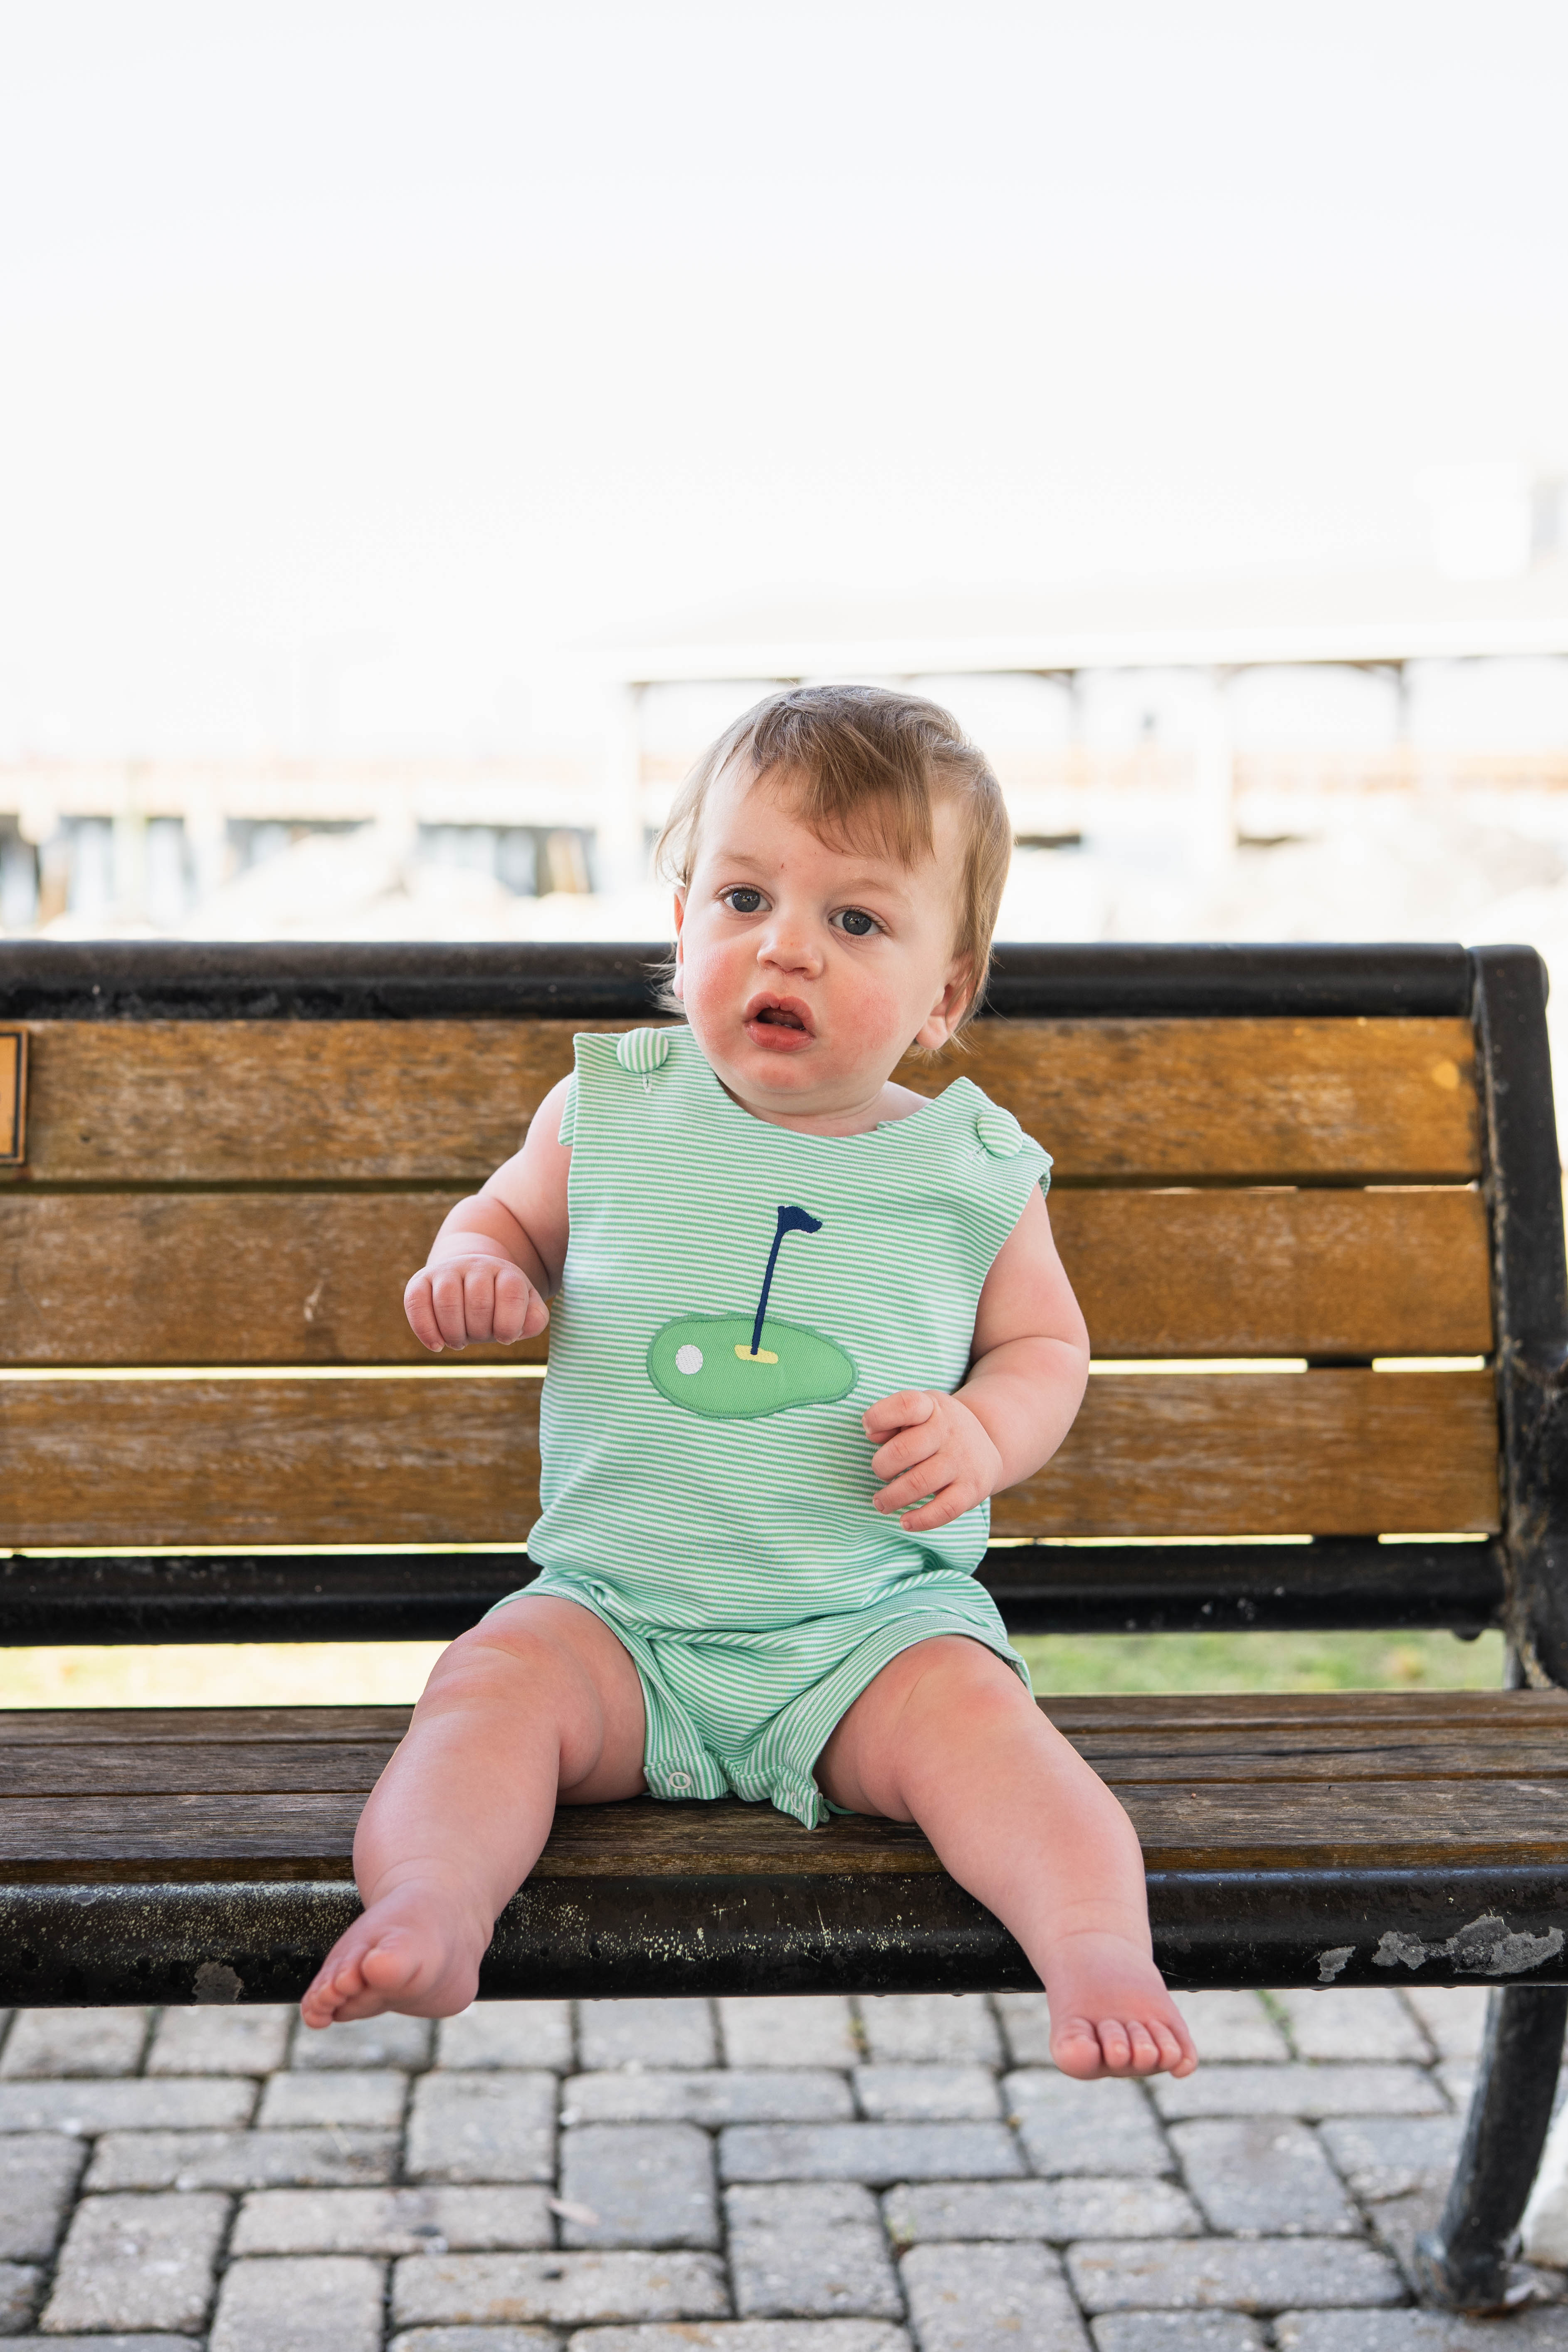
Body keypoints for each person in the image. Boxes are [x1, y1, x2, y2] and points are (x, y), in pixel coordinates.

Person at [300, 684, 1198, 2080]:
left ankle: (1092, 1944)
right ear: (680, 921)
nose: (787, 944)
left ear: (942, 992)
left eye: (855, 920)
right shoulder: (610, 1105)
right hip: (613, 1618)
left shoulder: (970, 1170)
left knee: (996, 1737)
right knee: (483, 1691)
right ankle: (434, 1898)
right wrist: (477, 1264)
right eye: (741, 896)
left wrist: (981, 1429)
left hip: (862, 1632)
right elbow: (504, 1222)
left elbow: (1044, 1350)